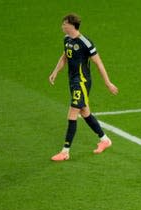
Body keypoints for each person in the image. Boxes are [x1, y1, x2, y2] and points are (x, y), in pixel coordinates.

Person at [49, 13, 119, 161]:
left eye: (64, 24)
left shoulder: (85, 43)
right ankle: (104, 140)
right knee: (85, 112)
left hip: (82, 82)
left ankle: (65, 151)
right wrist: (55, 71)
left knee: (72, 113)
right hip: (72, 82)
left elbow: (98, 63)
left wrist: (108, 83)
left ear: (71, 25)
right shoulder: (67, 39)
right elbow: (65, 57)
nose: (62, 26)